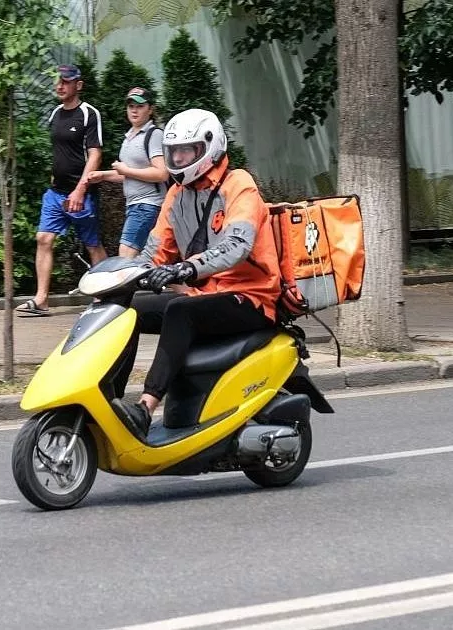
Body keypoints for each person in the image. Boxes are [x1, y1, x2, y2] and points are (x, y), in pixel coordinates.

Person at [110, 108, 283, 438]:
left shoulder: (239, 184)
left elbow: (237, 245)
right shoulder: (177, 194)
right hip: (204, 296)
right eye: (174, 152)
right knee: (124, 311)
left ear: (209, 147)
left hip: (250, 296)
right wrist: (122, 277)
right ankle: (110, 401)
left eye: (186, 151)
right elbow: (155, 251)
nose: (177, 158)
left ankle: (144, 407)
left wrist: (187, 267)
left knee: (180, 311)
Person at [15, 64, 108, 317]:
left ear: (79, 85)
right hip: (55, 193)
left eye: (66, 82)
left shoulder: (89, 114)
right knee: (43, 238)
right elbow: (59, 151)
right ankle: (41, 300)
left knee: (92, 244)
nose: (60, 86)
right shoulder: (55, 113)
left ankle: (104, 297)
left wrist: (80, 190)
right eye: (58, 81)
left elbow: (95, 155)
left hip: (81, 194)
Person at [86, 87, 169, 258]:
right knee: (150, 258)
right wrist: (103, 175)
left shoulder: (154, 135)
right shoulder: (129, 137)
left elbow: (161, 173)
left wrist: (126, 170)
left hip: (148, 205)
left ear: (150, 109)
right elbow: (129, 176)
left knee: (126, 254)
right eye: (131, 106)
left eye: (140, 106)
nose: (134, 110)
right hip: (134, 206)